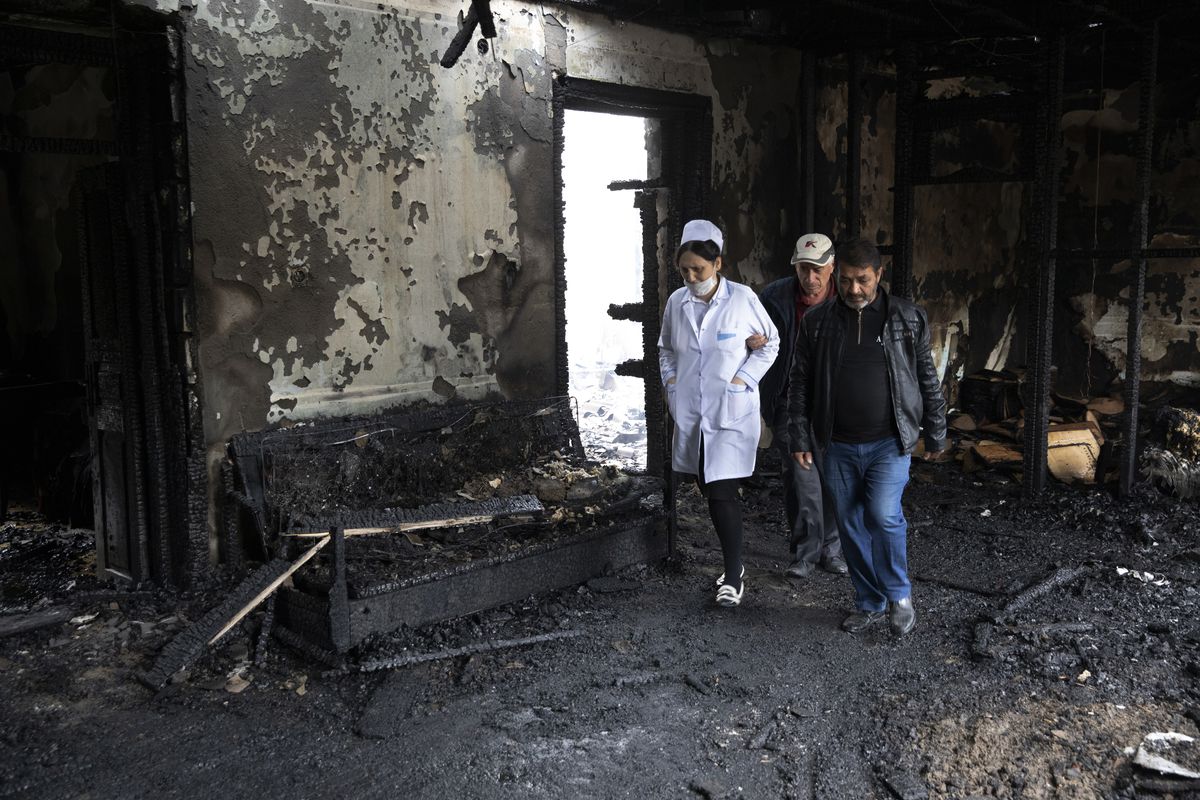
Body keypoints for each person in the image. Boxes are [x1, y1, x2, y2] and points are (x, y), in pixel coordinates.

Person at [786, 238, 947, 635]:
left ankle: (899, 594)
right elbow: (800, 382)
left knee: (882, 514)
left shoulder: (908, 319)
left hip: (888, 443)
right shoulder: (818, 322)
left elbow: (927, 378)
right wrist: (800, 437)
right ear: (836, 275)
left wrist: (937, 433)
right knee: (851, 523)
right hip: (837, 444)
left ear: (879, 275)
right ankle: (868, 601)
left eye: (863, 280)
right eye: (845, 280)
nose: (853, 289)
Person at [659, 219, 779, 607]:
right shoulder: (676, 303)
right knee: (707, 485)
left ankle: (733, 575)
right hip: (692, 412)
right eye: (685, 270)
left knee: (722, 492)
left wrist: (743, 379)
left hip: (731, 413)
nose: (692, 277)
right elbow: (665, 350)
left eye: (699, 269)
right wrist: (673, 386)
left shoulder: (743, 299)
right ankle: (733, 565)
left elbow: (770, 343)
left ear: (718, 264)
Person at [752, 233, 845, 579]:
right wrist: (753, 342)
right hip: (788, 400)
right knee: (800, 477)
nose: (811, 278)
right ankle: (805, 553)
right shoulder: (774, 297)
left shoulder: (846, 298)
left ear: (831, 267)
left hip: (833, 403)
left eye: (818, 269)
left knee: (834, 476)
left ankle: (831, 549)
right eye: (804, 269)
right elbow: (749, 334)